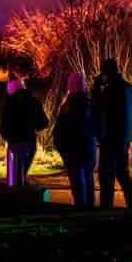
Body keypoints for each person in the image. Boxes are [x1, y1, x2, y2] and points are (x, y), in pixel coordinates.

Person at [92, 57, 132, 211]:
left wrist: (97, 86)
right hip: (124, 137)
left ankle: (107, 209)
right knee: (122, 173)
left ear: (107, 72)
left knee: (106, 176)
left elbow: (99, 107)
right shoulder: (128, 88)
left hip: (111, 138)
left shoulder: (112, 89)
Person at [52, 71, 100, 209]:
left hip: (73, 151)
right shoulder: (91, 104)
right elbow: (99, 126)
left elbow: (58, 133)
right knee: (89, 181)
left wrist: (63, 151)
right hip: (89, 148)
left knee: (78, 184)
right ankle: (90, 211)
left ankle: (81, 211)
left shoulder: (66, 108)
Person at [0, 74, 49, 188]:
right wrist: (32, 125)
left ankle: (18, 195)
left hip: (15, 142)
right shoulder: (32, 100)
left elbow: (4, 124)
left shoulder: (10, 103)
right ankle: (22, 189)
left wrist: (8, 136)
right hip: (29, 141)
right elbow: (43, 122)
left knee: (16, 174)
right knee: (22, 171)